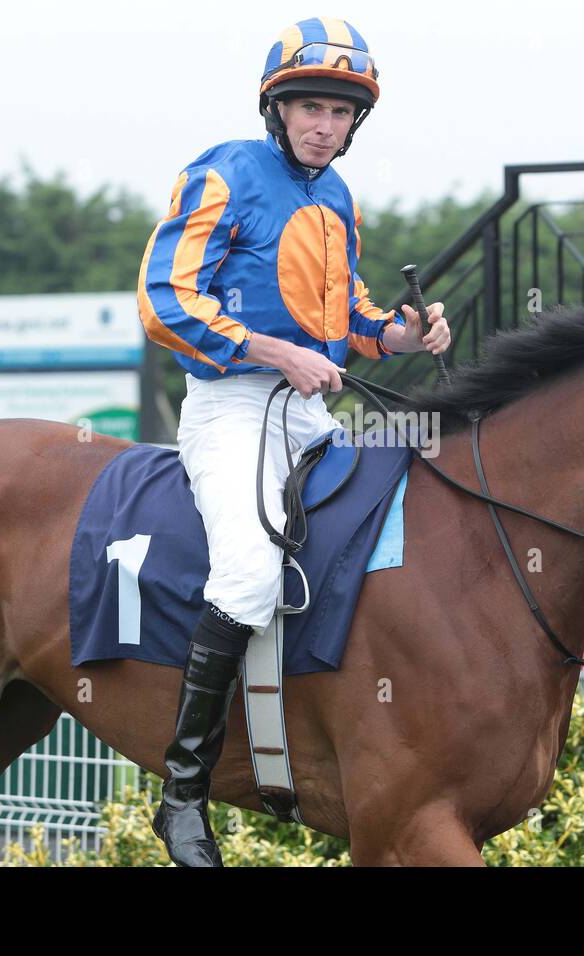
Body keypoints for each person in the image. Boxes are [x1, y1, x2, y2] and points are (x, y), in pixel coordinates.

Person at [135, 17, 451, 867]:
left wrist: (404, 333)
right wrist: (271, 351)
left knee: (380, 552)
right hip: (230, 407)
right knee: (246, 571)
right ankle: (183, 793)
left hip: (308, 414)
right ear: (278, 110)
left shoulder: (337, 198)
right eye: (309, 106)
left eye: (340, 113)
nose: (324, 124)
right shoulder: (225, 169)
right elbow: (164, 299)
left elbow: (346, 314)